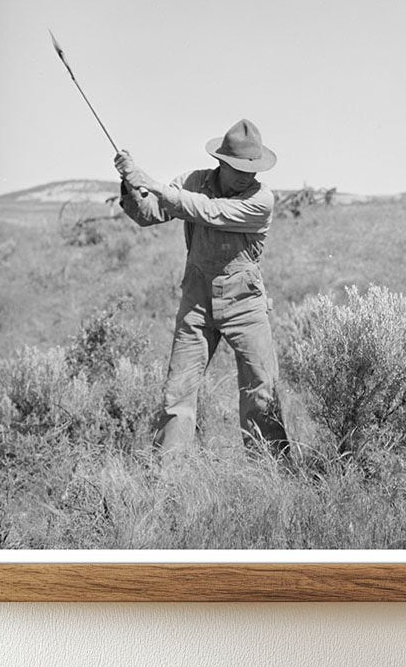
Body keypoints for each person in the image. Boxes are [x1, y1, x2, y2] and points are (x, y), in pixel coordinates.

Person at [114, 119, 289, 461]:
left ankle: (271, 472)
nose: (246, 176)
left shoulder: (261, 198)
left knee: (262, 391)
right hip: (197, 300)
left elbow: (207, 211)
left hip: (246, 303)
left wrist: (149, 180)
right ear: (221, 161)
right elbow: (150, 213)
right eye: (238, 167)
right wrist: (130, 183)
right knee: (177, 392)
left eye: (251, 169)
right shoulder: (193, 182)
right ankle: (167, 478)